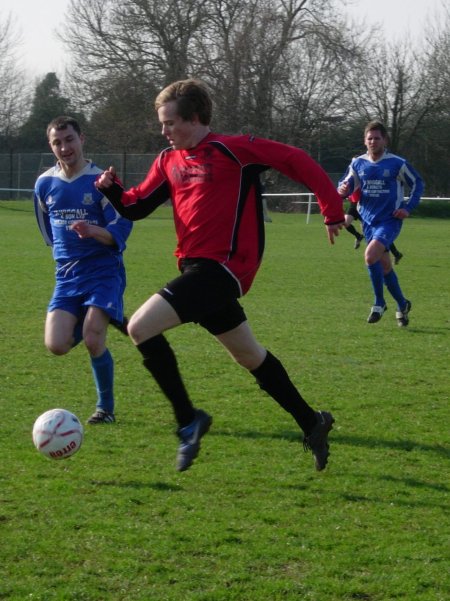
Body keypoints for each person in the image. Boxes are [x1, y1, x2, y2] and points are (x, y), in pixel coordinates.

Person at [95, 78, 345, 472]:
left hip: (225, 268)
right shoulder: (168, 160)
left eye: (171, 123)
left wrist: (332, 210)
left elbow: (297, 159)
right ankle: (312, 421)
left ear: (195, 118)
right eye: (162, 124)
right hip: (194, 269)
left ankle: (187, 420)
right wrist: (112, 191)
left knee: (140, 327)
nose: (165, 131)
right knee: (250, 356)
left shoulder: (234, 149)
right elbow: (136, 207)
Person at [34, 116, 133, 424]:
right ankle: (101, 318)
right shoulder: (44, 184)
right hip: (67, 277)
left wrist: (93, 231)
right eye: (57, 142)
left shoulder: (102, 182)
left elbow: (122, 228)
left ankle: (105, 409)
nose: (65, 147)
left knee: (92, 340)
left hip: (104, 272)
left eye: (69, 140)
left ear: (82, 139)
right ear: (51, 146)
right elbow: (48, 232)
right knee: (57, 344)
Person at [338, 120, 423, 326]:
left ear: (385, 140)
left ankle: (379, 303)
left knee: (370, 256)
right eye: (370, 138)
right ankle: (402, 305)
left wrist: (407, 208)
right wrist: (342, 190)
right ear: (365, 141)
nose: (373, 141)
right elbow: (346, 184)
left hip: (389, 220)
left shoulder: (396, 163)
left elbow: (418, 183)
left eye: (377, 138)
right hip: (368, 221)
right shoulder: (358, 163)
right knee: (384, 266)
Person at [345, 195, 404, 263]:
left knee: (377, 234)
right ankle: (358, 236)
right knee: (346, 222)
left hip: (365, 205)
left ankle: (396, 254)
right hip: (354, 203)